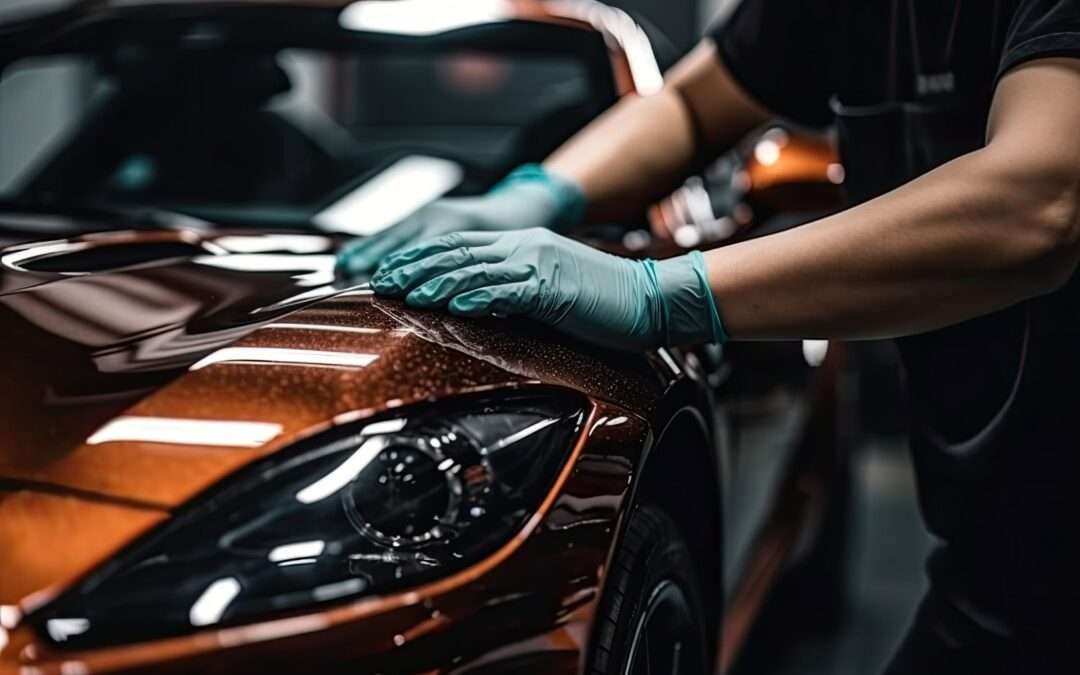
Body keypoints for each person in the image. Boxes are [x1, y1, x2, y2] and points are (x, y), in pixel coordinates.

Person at [338, 1, 1080, 671]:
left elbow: (1040, 199)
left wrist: (659, 292)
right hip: (1001, 553)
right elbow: (696, 103)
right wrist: (535, 194)